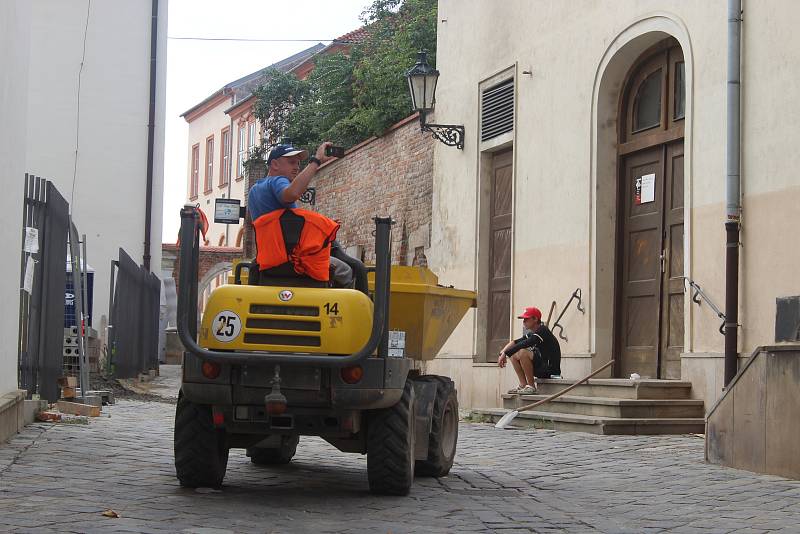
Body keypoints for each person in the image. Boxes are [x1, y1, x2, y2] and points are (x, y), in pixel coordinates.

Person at [248, 141, 352, 286]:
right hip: (293, 256)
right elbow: (291, 194)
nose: (296, 167)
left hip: (268, 256)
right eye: (291, 162)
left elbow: (287, 224)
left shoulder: (254, 190)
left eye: (298, 163)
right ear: (275, 164)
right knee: (348, 270)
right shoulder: (277, 181)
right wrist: (315, 162)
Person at [497, 306, 562, 394]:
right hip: (541, 367)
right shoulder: (533, 333)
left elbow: (526, 343)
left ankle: (531, 387)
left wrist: (506, 353)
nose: (524, 322)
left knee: (523, 352)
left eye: (526, 319)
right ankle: (523, 385)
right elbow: (515, 342)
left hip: (550, 370)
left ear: (535, 319)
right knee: (514, 354)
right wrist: (502, 353)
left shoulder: (543, 330)